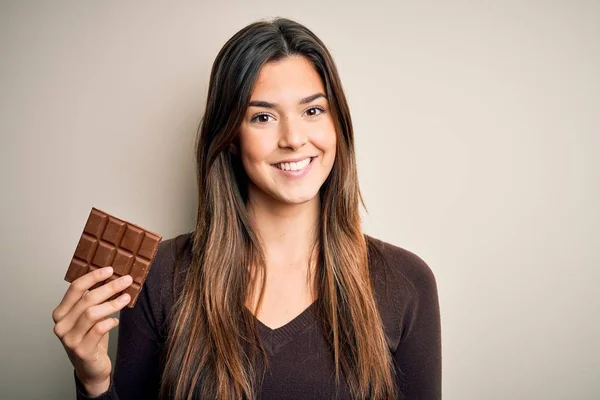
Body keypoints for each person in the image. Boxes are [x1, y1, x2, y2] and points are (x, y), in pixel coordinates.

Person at [52, 17, 441, 400]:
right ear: (232, 139)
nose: (293, 138)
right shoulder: (162, 275)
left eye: (312, 111)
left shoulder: (406, 283)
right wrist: (95, 383)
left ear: (337, 124)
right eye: (263, 117)